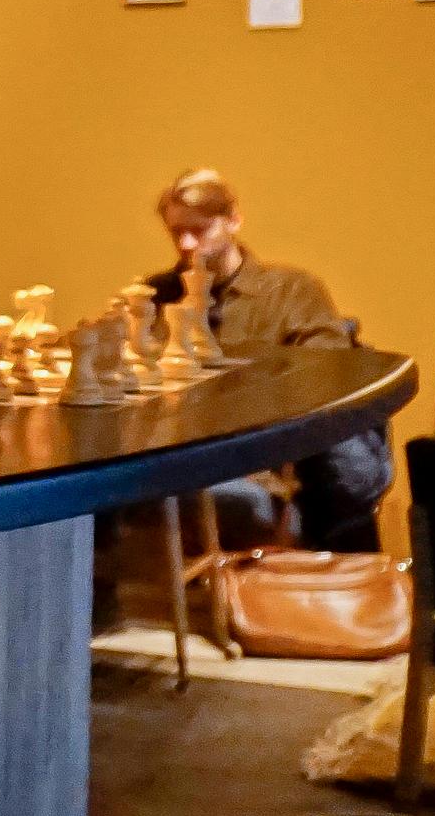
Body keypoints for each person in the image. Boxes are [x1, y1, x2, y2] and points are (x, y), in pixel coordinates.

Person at [147, 168, 392, 552]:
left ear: (233, 221)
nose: (188, 244)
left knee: (346, 462)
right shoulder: (158, 295)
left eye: (201, 229)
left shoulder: (290, 290)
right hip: (177, 452)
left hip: (264, 459)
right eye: (177, 232)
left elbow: (328, 373)